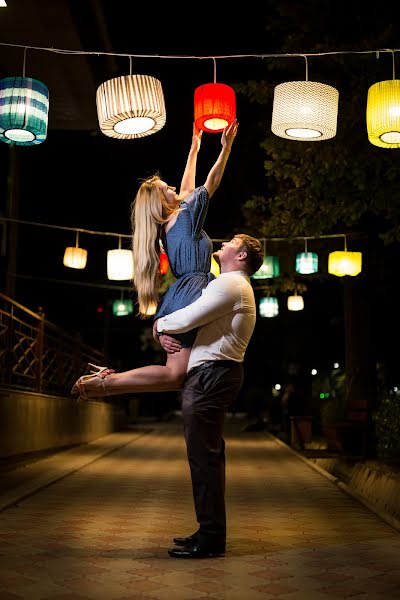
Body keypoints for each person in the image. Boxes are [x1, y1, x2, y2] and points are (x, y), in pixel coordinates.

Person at [71, 120, 238, 399]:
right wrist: (226, 148)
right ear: (160, 200)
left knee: (175, 376)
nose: (173, 186)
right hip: (194, 292)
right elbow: (212, 183)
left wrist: (194, 149)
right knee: (175, 375)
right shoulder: (183, 218)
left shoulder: (169, 225)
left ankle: (104, 383)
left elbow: (186, 190)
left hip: (185, 293)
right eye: (166, 187)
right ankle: (103, 384)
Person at [154, 233, 264, 558]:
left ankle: (211, 539)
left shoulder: (231, 284)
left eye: (232, 241)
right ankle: (208, 532)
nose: (225, 242)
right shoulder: (230, 283)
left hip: (212, 375)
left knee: (204, 460)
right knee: (207, 459)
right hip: (214, 375)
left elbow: (190, 316)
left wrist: (159, 325)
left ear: (241, 256)